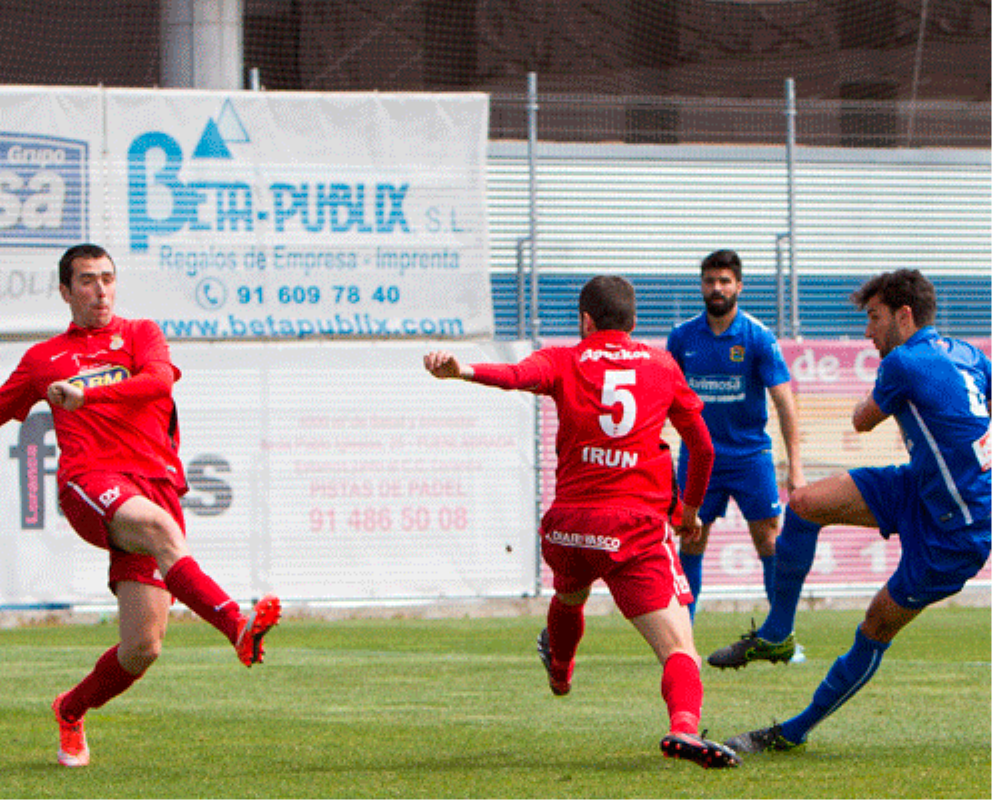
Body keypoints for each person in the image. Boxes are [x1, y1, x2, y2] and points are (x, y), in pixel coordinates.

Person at [0, 244, 280, 768]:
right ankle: (236, 624)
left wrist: (86, 395)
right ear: (65, 291)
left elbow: (159, 381)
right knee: (158, 528)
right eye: (86, 281)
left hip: (156, 482)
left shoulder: (141, 332)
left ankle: (71, 710)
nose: (100, 290)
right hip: (91, 482)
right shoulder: (44, 358)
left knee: (142, 647)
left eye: (107, 279)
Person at [424, 275, 738, 769]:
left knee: (570, 593)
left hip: (568, 528)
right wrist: (691, 512)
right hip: (632, 527)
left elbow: (512, 375)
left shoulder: (563, 359)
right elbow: (702, 447)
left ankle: (561, 672)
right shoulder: (661, 364)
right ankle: (684, 730)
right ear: (633, 323)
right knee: (681, 648)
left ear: (586, 321)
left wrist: (461, 369)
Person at [726, 268, 992, 753]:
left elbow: (862, 420)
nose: (868, 332)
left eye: (874, 318)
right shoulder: (969, 354)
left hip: (956, 534)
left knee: (874, 625)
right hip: (919, 486)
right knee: (804, 504)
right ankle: (778, 634)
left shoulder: (903, 363)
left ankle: (792, 732)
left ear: (904, 316)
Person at [667, 249, 821, 652]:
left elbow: (785, 402)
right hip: (699, 459)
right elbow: (662, 396)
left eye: (724, 281)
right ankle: (682, 638)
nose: (716, 288)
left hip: (750, 458)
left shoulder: (757, 337)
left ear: (738, 286)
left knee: (769, 541)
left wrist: (796, 466)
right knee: (690, 540)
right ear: (701, 286)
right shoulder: (682, 338)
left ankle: (781, 636)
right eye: (709, 281)